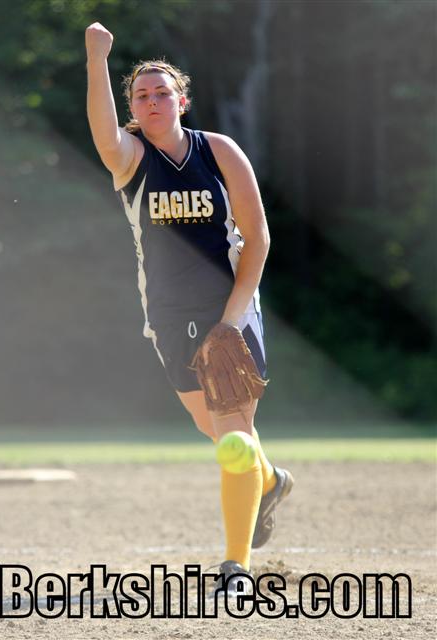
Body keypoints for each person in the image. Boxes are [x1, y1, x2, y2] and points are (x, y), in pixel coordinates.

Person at [85, 22, 293, 597]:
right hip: (169, 316)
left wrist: (232, 320)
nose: (152, 100)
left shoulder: (218, 151)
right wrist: (97, 59)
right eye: (141, 95)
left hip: (230, 309)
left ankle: (235, 567)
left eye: (162, 92)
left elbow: (257, 237)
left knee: (234, 432)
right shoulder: (131, 160)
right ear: (132, 108)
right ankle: (269, 482)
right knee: (217, 432)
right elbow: (103, 135)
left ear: (182, 100)